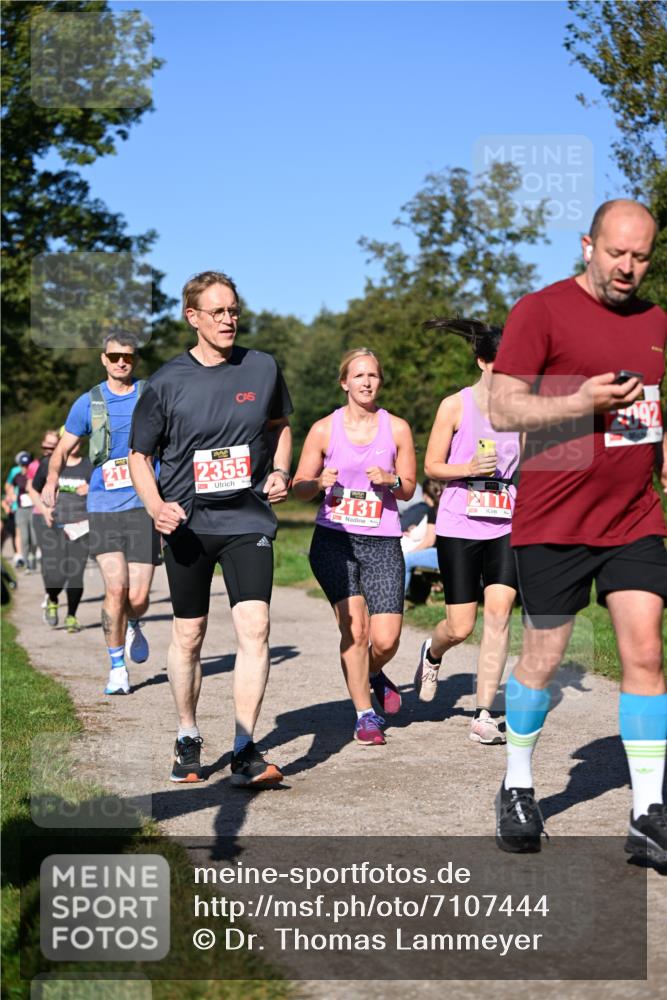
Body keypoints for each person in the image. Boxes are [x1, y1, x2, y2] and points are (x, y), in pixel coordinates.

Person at [489, 199, 667, 863]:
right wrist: (578, 400)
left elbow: (653, 406)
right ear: (588, 245)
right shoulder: (541, 310)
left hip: (633, 515)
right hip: (554, 517)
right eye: (615, 253)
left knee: (645, 651)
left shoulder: (656, 322)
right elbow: (502, 407)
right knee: (544, 655)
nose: (627, 267)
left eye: (640, 256)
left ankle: (647, 811)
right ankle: (517, 784)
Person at [128, 270, 293, 787]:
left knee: (256, 627)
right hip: (188, 524)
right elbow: (139, 455)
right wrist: (156, 506)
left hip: (246, 518)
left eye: (233, 310)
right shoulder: (166, 382)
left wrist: (280, 470)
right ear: (193, 317)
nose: (228, 319)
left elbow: (280, 427)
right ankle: (187, 735)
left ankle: (245, 747)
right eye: (217, 311)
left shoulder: (262, 367)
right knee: (189, 633)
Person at [292, 348, 417, 746]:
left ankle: (372, 672)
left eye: (373, 375)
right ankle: (365, 716)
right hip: (335, 540)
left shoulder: (397, 428)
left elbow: (409, 488)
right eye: (359, 375)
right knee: (356, 630)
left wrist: (391, 480)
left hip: (382, 541)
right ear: (344, 382)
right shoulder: (323, 430)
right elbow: (298, 486)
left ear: (380, 382)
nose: (366, 382)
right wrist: (318, 483)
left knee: (386, 639)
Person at [414, 319, 521, 746]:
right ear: (481, 362)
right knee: (460, 626)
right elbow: (431, 466)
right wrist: (468, 468)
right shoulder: (454, 406)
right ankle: (432, 652)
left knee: (499, 614)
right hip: (460, 523)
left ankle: (483, 714)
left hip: (506, 522)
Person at [41, 334, 159, 694]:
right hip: (103, 506)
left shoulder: (151, 394)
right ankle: (117, 667)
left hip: (143, 505)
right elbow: (63, 449)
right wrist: (51, 479)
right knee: (116, 587)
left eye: (128, 356)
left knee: (137, 598)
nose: (122, 362)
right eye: (115, 356)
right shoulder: (88, 403)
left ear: (135, 360)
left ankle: (134, 623)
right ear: (104, 360)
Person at [31, 437, 93, 632]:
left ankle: (71, 616)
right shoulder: (50, 464)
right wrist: (44, 510)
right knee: (56, 576)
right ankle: (52, 598)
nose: (74, 444)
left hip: (81, 526)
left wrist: (92, 489)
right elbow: (33, 489)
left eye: (78, 440)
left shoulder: (89, 465)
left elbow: (105, 490)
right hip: (55, 527)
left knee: (75, 575)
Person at [27, 429, 61, 609]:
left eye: (53, 446)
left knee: (63, 559)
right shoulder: (36, 465)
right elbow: (31, 489)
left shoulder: (65, 463)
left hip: (63, 516)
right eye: (46, 445)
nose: (48, 449)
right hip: (41, 514)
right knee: (49, 557)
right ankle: (50, 593)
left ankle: (55, 590)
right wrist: (45, 510)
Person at [402, 478, 442, 598]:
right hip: (457, 552)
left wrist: (411, 552)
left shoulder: (433, 510)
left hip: (442, 555)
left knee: (406, 560)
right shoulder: (448, 507)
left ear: (425, 495)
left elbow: (430, 541)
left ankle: (397, 599)